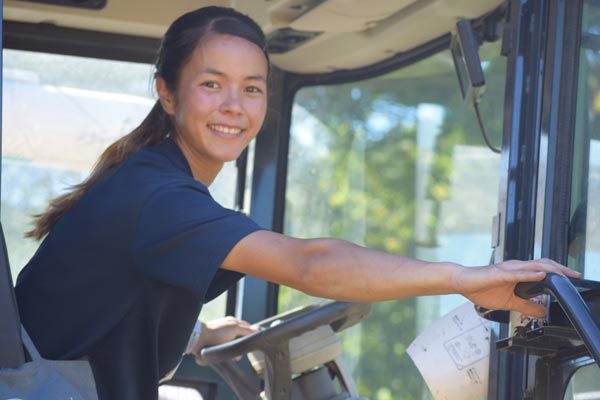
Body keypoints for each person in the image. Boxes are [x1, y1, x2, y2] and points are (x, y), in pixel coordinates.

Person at [13, 5, 579, 400]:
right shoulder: (156, 196)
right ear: (167, 91)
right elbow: (310, 263)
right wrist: (463, 277)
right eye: (212, 84)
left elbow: (100, 314)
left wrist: (200, 336)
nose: (235, 105)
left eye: (252, 88)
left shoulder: (154, 182)